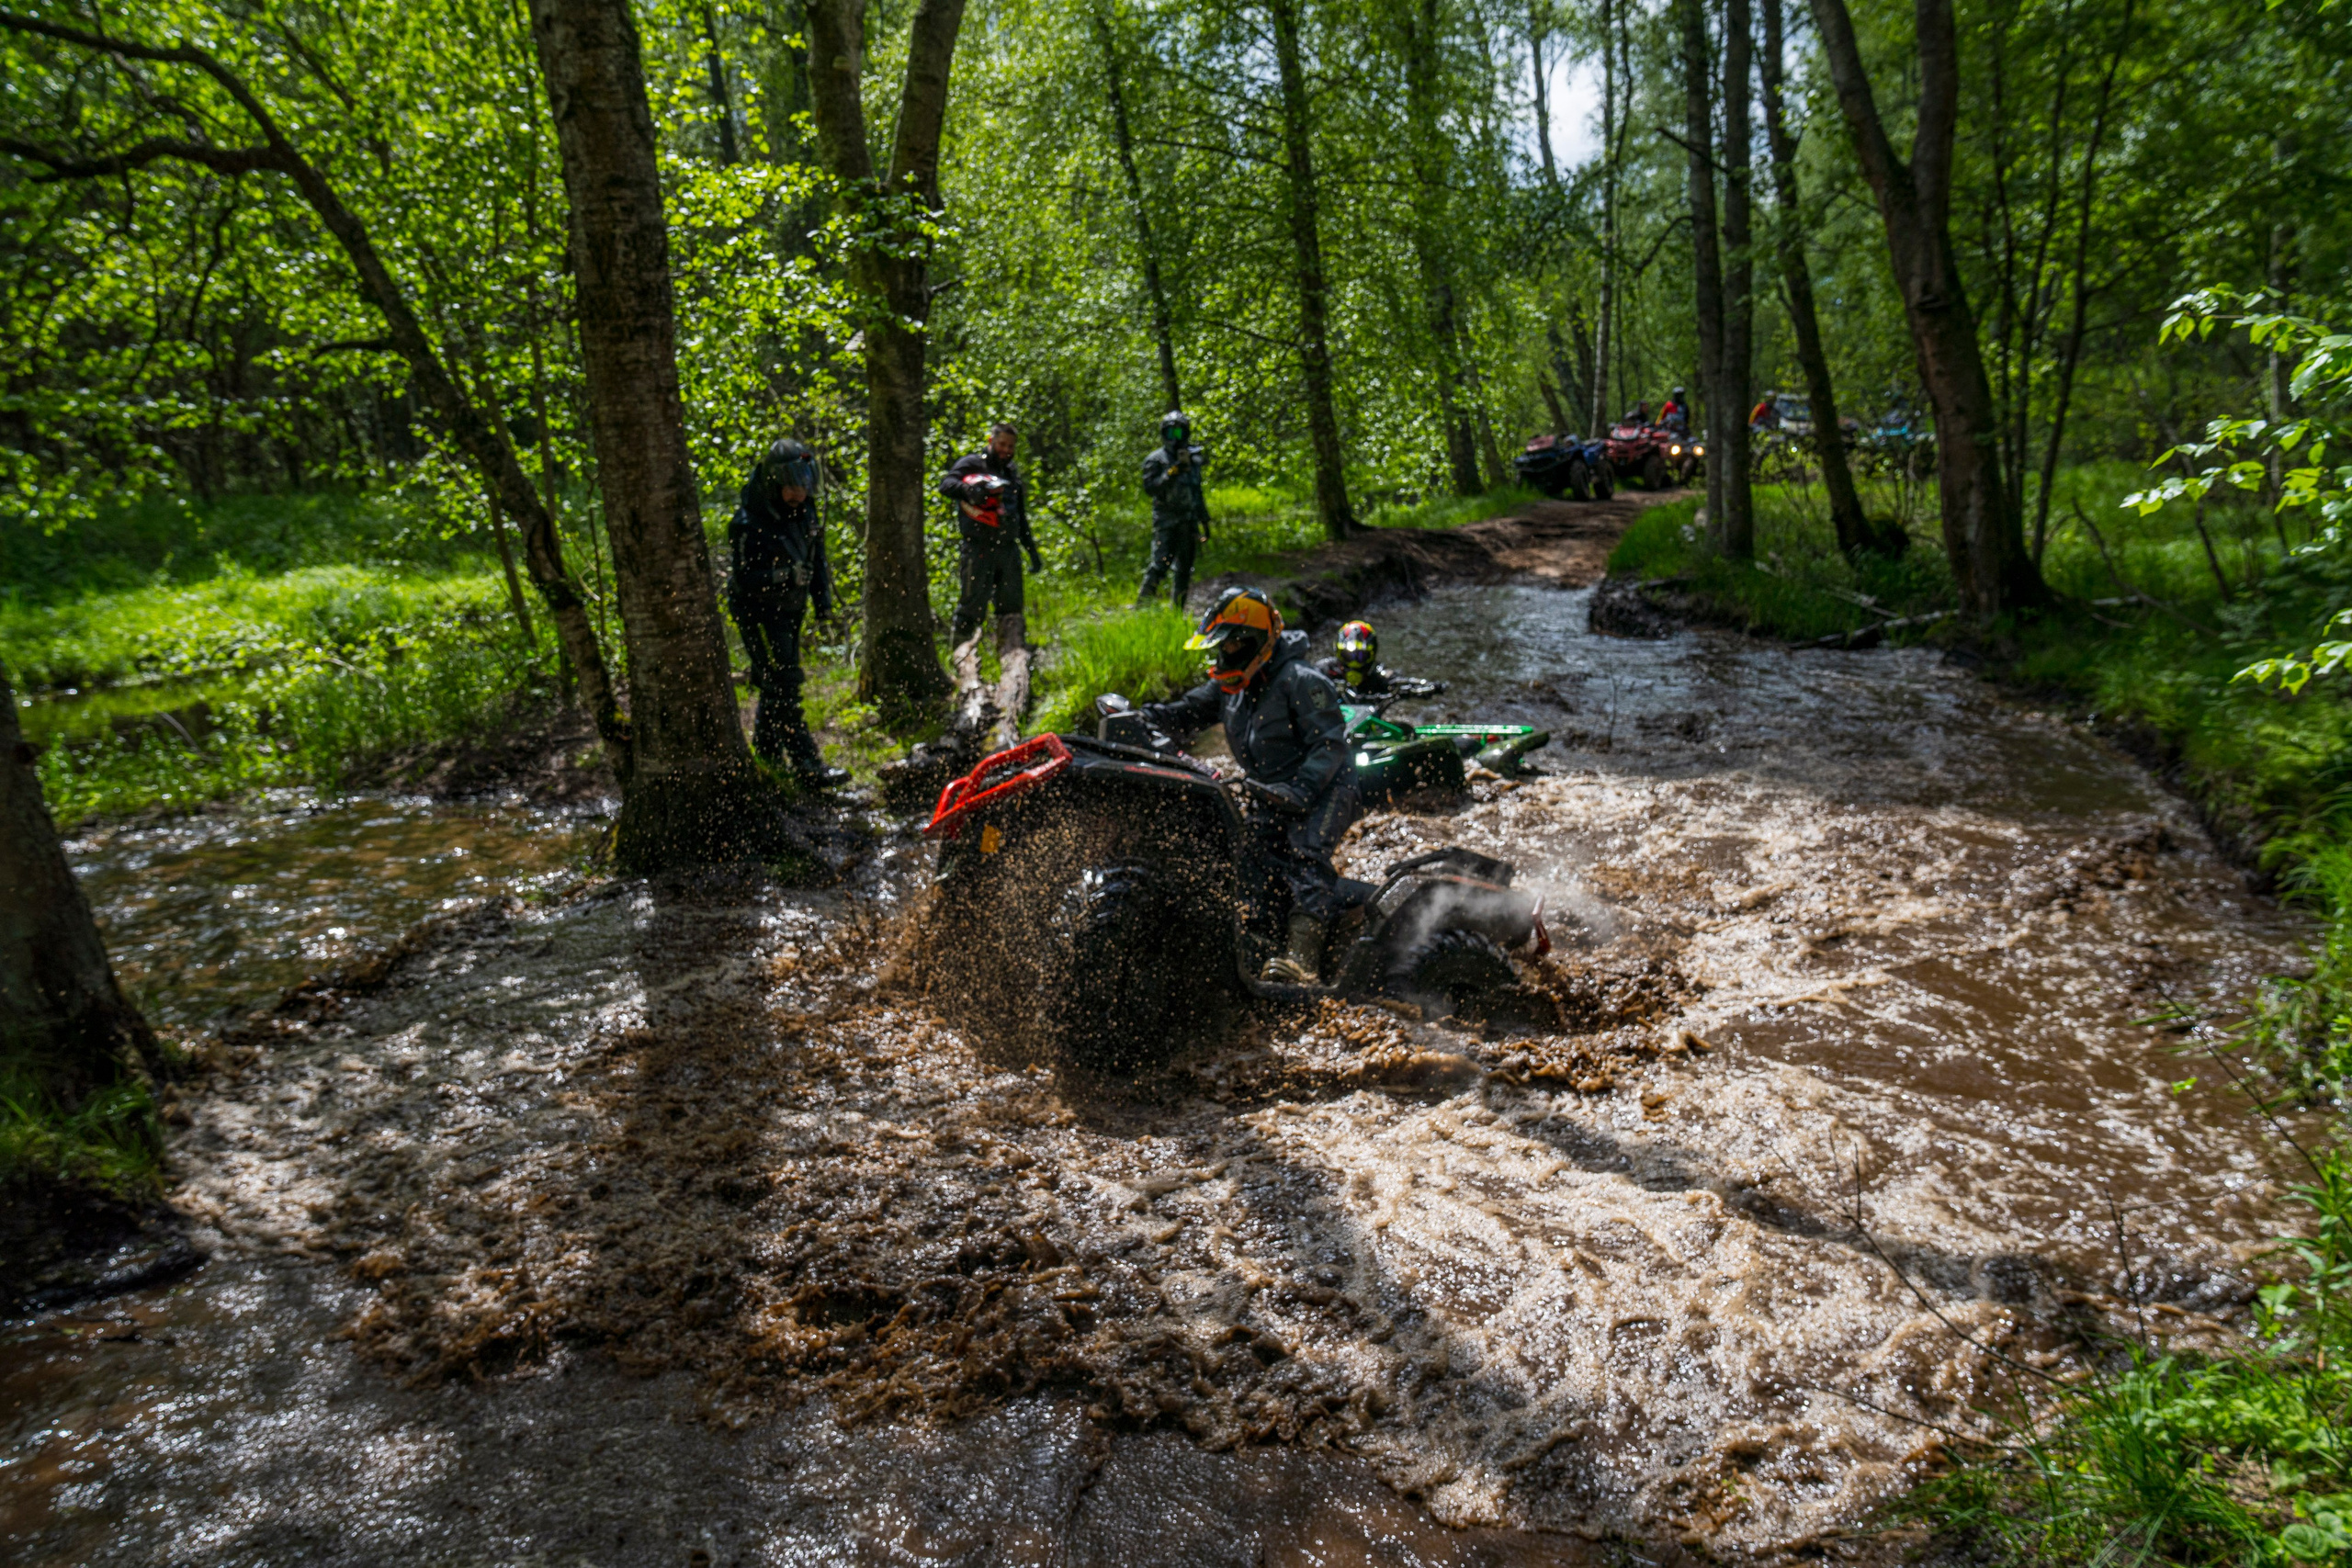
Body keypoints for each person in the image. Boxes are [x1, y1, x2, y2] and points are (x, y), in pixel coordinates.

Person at [1142, 588, 1358, 985]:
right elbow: (1182, 713)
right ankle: (1260, 944)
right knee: (1252, 858)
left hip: (1326, 788)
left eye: (1234, 645)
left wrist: (1302, 793)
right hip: (1270, 790)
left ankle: (1303, 962)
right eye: (1221, 647)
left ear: (1259, 642)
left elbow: (1329, 744)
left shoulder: (1301, 681)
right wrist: (1137, 718)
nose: (1225, 656)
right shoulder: (1230, 689)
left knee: (1305, 855)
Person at [727, 437, 850, 788]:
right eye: (792, 488)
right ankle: (807, 766)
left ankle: (766, 757)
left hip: (791, 610)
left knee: (774, 683)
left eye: (803, 487)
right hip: (758, 612)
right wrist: (782, 576)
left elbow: (817, 560)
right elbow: (743, 578)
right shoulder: (747, 523)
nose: (798, 495)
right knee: (784, 684)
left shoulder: (806, 512)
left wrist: (823, 604)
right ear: (775, 482)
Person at [936, 423, 1043, 694]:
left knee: (1011, 609)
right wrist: (969, 490)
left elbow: (1021, 517)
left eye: (1010, 446)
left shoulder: (1012, 474)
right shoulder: (973, 464)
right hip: (977, 548)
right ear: (991, 441)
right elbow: (946, 484)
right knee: (971, 608)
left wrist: (1031, 551)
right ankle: (960, 664)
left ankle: (1013, 666)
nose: (1006, 450)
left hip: (1008, 549)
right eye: (1002, 444)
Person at [1136, 410, 1211, 608]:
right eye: (1172, 433)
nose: (1176, 439)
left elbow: (1197, 491)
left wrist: (1204, 520)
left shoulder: (1193, 459)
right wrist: (1170, 473)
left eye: (1179, 433)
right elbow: (1150, 489)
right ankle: (1142, 607)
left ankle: (1177, 611)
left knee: (1185, 568)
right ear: (1164, 434)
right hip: (1166, 521)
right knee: (1160, 564)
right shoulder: (1156, 460)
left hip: (1188, 521)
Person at [1314, 619, 1444, 704]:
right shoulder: (1324, 670)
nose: (1354, 663)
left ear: (1372, 654)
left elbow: (1399, 682)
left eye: (1360, 657)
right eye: (1348, 656)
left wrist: (1427, 688)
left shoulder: (1378, 673)